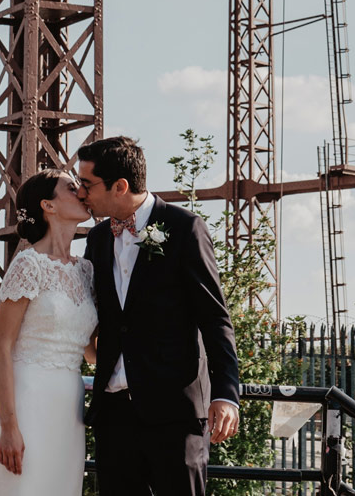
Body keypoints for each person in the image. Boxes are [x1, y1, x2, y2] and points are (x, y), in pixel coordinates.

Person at [78, 135, 241, 496]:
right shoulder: (98, 238)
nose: (80, 193)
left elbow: (215, 317)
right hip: (114, 415)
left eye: (87, 184)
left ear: (120, 186)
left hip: (174, 413)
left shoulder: (184, 228)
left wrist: (226, 393)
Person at [0, 169, 97, 496]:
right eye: (71, 187)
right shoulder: (28, 264)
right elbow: (1, 348)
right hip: (27, 402)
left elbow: (89, 351)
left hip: (69, 408)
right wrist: (9, 427)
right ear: (48, 206)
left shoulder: (86, 269)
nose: (81, 192)